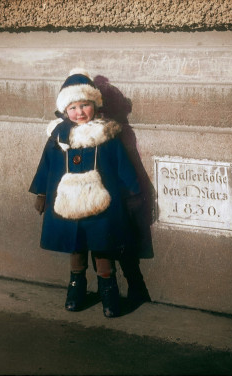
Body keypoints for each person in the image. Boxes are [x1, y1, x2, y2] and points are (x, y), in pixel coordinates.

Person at [29, 68, 146, 318]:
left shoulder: (106, 135)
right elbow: (46, 166)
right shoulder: (58, 137)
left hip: (102, 204)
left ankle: (108, 288)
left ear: (94, 105)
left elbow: (122, 164)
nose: (79, 112)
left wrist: (132, 193)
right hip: (68, 203)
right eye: (73, 107)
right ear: (64, 110)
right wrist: (41, 193)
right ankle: (76, 286)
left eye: (84, 105)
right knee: (76, 247)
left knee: (103, 246)